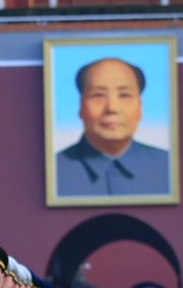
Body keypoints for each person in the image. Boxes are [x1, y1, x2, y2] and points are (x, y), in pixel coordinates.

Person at [55, 56, 170, 197]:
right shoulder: (52, 171)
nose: (112, 108)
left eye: (124, 95)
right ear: (81, 107)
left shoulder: (170, 167)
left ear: (140, 107)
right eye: (98, 95)